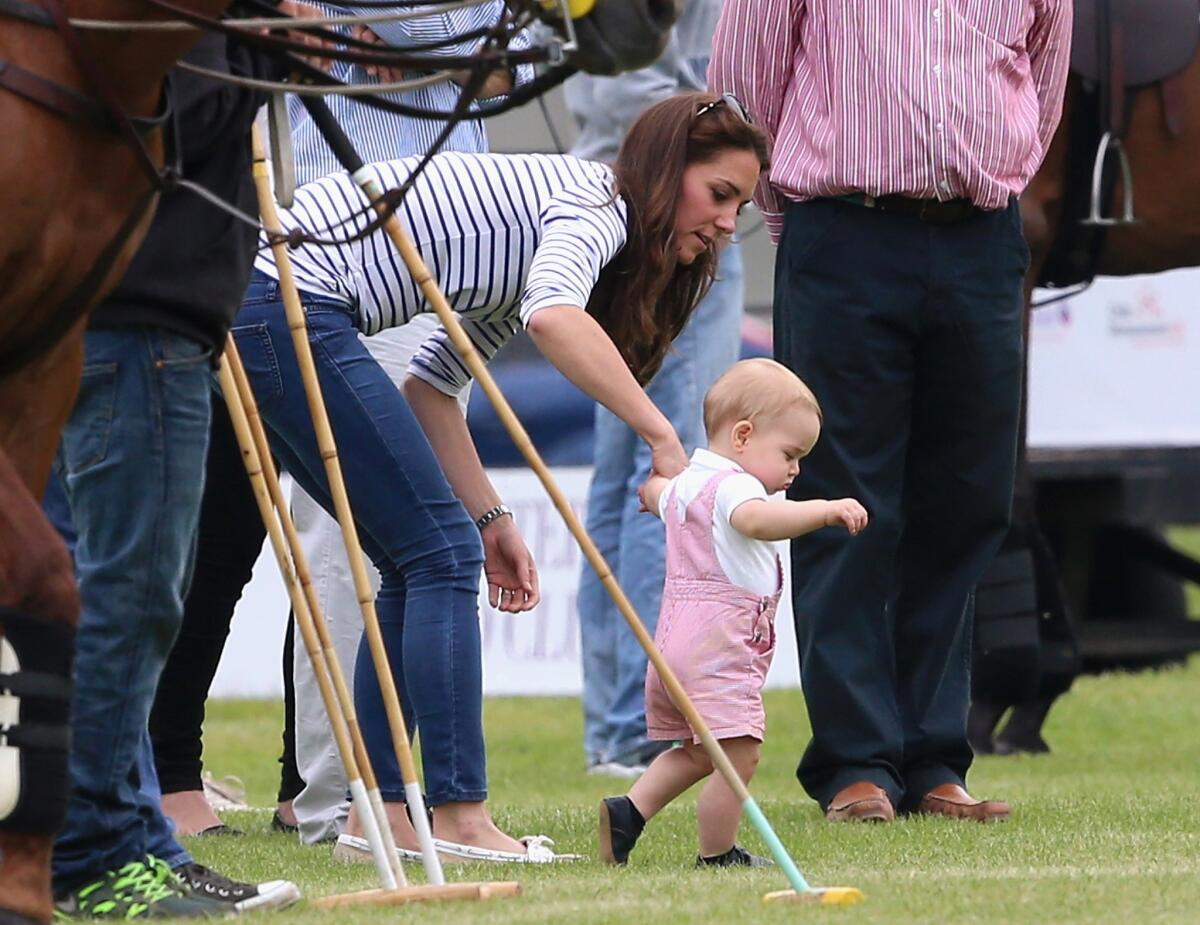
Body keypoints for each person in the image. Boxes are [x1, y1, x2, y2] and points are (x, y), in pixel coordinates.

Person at [228, 92, 768, 862]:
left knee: (424, 553)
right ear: (663, 172)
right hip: (289, 298)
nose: (725, 222)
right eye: (718, 194)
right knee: (437, 555)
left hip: (269, 303)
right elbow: (555, 317)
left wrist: (493, 519)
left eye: (739, 205)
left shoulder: (530, 241)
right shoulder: (596, 205)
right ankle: (459, 816)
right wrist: (660, 434)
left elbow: (431, 389)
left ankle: (377, 816)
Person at [148, 0, 531, 842]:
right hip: (300, 247)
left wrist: (381, 27)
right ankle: (278, 788)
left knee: (364, 540)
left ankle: (313, 787)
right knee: (235, 538)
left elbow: (511, 63)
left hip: (427, 265)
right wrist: (349, 29)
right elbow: (267, 36)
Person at [709, 1, 1071, 822]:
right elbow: (742, 87)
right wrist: (794, 221)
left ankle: (935, 757)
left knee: (968, 501)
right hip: (845, 230)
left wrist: (997, 173)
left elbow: (1043, 88)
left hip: (980, 235)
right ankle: (855, 764)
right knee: (842, 498)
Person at [43, 34, 302, 917]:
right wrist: (264, 52)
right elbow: (161, 118)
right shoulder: (175, 32)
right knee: (135, 591)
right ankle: (92, 854)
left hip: (139, 322)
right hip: (140, 324)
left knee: (127, 590)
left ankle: (135, 840)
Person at [565, 0, 746, 780]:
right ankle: (648, 722)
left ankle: (615, 725)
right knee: (667, 468)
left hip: (611, 186)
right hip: (668, 204)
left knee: (619, 486)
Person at [596, 359, 867, 867]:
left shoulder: (689, 483)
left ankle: (628, 811)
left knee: (702, 751)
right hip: (718, 644)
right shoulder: (738, 486)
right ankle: (716, 853)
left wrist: (652, 491)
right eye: (790, 454)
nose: (796, 470)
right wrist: (825, 509)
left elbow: (654, 493)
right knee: (739, 752)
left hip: (673, 643)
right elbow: (757, 520)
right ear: (743, 436)